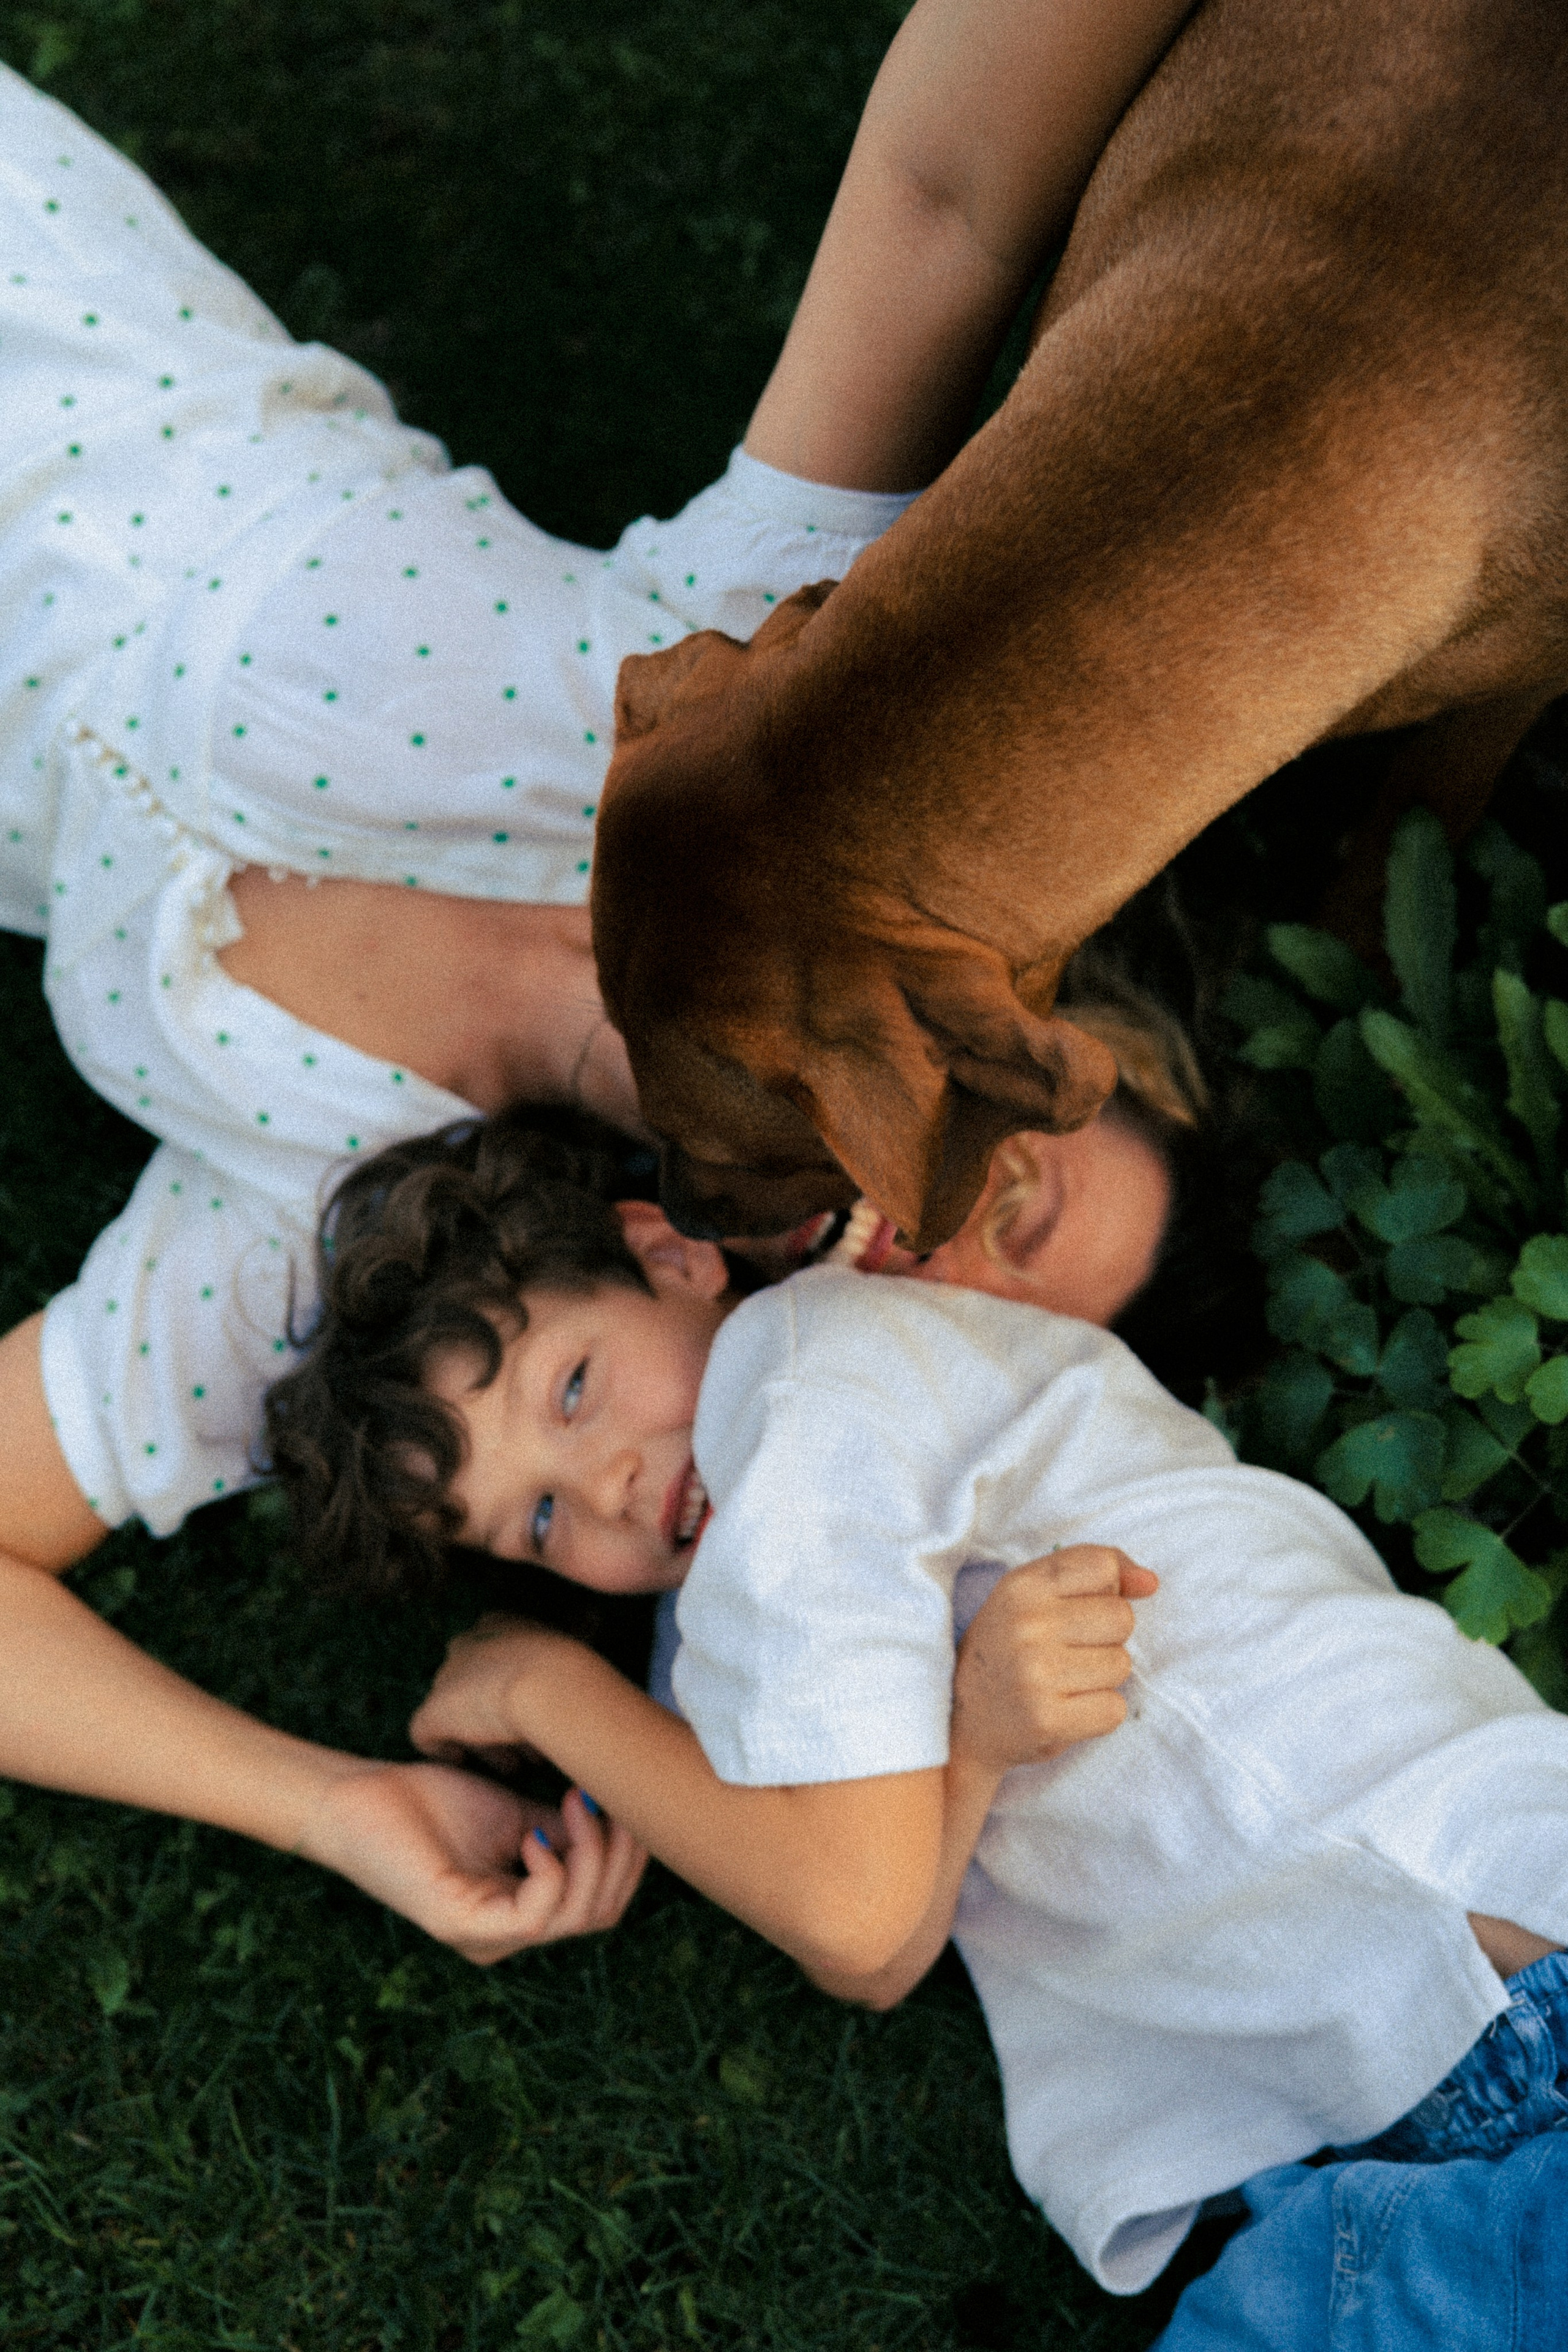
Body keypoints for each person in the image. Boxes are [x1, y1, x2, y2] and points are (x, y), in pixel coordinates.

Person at [0, 0, 1198, 1953]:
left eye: (994, 1328)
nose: (936, 1253)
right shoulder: (731, 694)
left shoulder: (349, 1263)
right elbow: (948, 197)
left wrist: (329, 1805)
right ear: (1010, 1018)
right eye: (1022, 1194)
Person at [276, 1106, 1566, 2339]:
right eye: (540, 1523)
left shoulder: (801, 1377)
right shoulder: (709, 1644)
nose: (605, 1487)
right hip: (1364, 2104)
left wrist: (540, 1690)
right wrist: (971, 1750)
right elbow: (874, 1940)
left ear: (666, 1254)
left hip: (1480, 1985)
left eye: (570, 1391)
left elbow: (849, 1916)